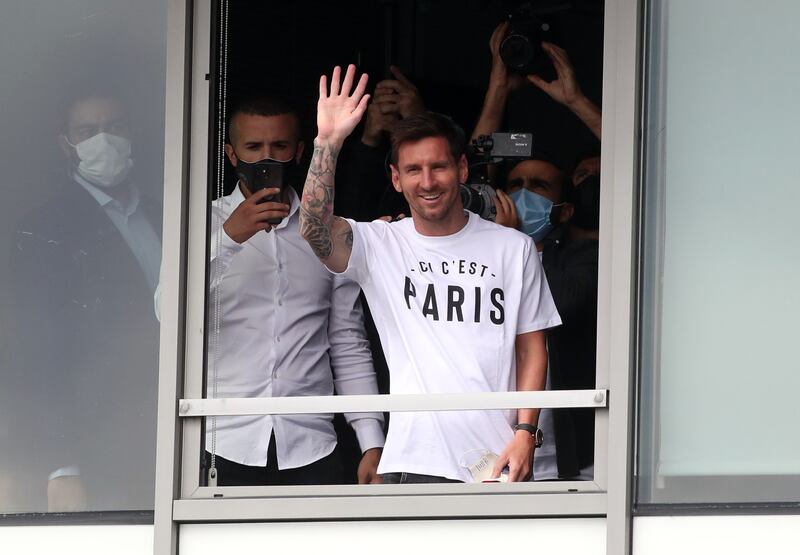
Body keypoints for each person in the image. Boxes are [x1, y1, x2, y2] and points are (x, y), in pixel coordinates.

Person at [299, 65, 561, 483]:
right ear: (396, 179)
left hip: (499, 461)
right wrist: (328, 143)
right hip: (417, 460)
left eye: (438, 167)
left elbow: (532, 348)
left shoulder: (513, 247)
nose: (428, 182)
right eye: (414, 171)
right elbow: (313, 230)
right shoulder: (381, 243)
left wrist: (526, 432)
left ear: (460, 169)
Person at [205, 96, 384, 486]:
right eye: (253, 148)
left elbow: (347, 339)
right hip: (220, 442)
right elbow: (166, 314)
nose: (266, 159)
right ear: (232, 155)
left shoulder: (326, 233)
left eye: (279, 147)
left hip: (312, 443)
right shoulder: (201, 224)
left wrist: (371, 441)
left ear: (299, 151)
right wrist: (228, 238)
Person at [8, 90, 162, 511]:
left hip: (167, 431)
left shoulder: (164, 215)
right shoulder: (45, 229)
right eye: (87, 131)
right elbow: (42, 352)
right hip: (98, 446)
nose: (103, 140)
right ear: (67, 145)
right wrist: (62, 466)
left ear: (131, 132)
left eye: (113, 127)